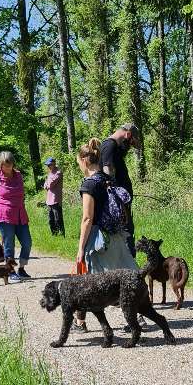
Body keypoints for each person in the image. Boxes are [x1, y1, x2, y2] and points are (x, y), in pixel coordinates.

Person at [76, 138, 144, 331]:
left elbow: (87, 218)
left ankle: (80, 322)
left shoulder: (89, 185)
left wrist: (81, 247)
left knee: (89, 281)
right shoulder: (108, 179)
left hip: (99, 240)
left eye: (79, 163)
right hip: (117, 234)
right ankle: (137, 317)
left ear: (84, 161)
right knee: (129, 275)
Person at [0, 151, 32, 283]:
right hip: (4, 215)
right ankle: (10, 272)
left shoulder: (18, 176)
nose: (8, 168)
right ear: (0, 164)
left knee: (27, 242)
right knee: (9, 244)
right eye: (5, 165)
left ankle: (21, 268)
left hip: (20, 213)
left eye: (10, 165)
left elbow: (22, 193)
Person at [99, 123, 140, 256]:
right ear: (128, 134)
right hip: (117, 201)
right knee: (125, 231)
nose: (129, 144)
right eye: (131, 140)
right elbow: (107, 170)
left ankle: (128, 262)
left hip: (121, 199)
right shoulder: (109, 145)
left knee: (127, 230)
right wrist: (117, 196)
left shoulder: (115, 146)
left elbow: (118, 159)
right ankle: (128, 266)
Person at [43, 157, 65, 236]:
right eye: (47, 165)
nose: (48, 166)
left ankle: (62, 235)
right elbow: (45, 184)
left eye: (50, 165)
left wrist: (47, 184)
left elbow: (50, 185)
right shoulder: (50, 173)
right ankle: (54, 234)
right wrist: (46, 184)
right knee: (51, 219)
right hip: (49, 200)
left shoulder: (58, 173)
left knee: (58, 219)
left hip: (56, 199)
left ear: (54, 164)